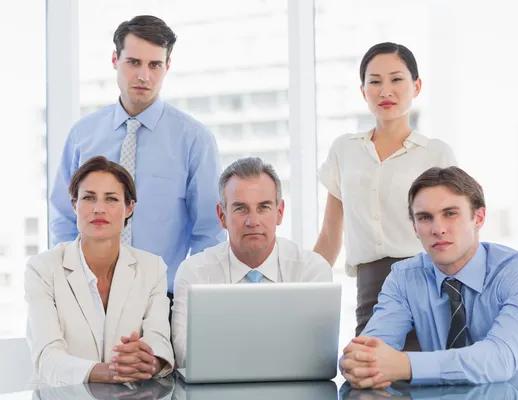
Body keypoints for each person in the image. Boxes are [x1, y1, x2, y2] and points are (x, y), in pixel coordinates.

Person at [339, 166, 518, 388]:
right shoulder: (404, 278)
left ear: (479, 218)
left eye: (450, 213)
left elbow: (500, 359)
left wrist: (405, 365)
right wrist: (359, 364)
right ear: (415, 227)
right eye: (424, 217)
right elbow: (367, 352)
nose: (438, 228)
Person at [49, 15, 225, 297]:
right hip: (89, 296)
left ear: (167, 67)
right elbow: (63, 217)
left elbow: (209, 232)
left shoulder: (195, 140)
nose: (144, 75)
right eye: (134, 62)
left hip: (162, 298)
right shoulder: (83, 135)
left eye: (155, 65)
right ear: (114, 60)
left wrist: (187, 295)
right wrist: (74, 281)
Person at [315, 42, 457, 342]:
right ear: (363, 90)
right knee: (367, 376)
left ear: (416, 86)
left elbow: (455, 232)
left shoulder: (436, 153)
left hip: (427, 283)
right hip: (370, 288)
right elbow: (330, 237)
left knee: (425, 379)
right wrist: (297, 289)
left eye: (396, 79)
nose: (385, 90)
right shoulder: (345, 150)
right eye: (375, 82)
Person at [25, 156, 174, 387]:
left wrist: (150, 361)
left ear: (129, 207)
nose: (99, 209)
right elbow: (48, 357)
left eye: (112, 199)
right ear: (74, 205)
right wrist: (110, 371)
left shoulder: (152, 268)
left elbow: (159, 338)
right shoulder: (43, 269)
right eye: (88, 198)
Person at [172, 157, 333, 367]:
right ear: (222, 216)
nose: (253, 221)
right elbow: (185, 355)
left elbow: (318, 357)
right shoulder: (194, 272)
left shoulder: (311, 270)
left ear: (280, 212)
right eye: (240, 209)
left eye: (264, 207)